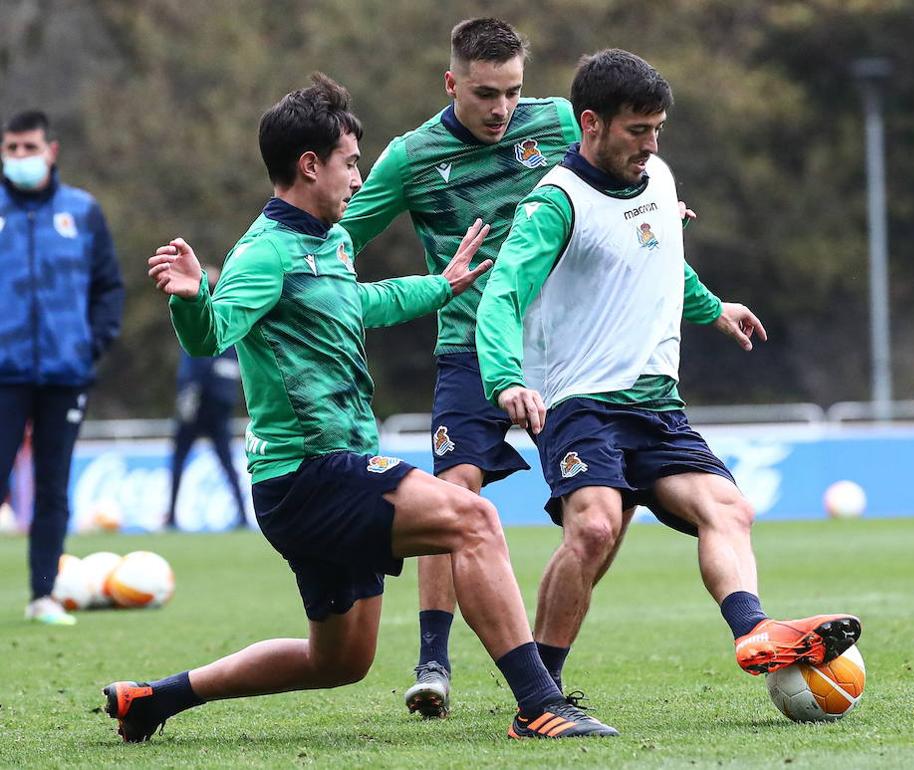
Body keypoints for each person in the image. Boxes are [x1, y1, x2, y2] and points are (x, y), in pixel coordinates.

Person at [103, 73, 616, 742]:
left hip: (314, 481)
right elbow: (212, 334)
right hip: (308, 473)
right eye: (350, 162)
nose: (359, 176)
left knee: (339, 660)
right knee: (475, 520)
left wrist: (440, 287)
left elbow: (362, 305)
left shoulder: (330, 241)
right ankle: (538, 702)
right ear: (309, 165)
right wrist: (191, 296)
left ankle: (153, 699)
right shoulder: (263, 253)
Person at [339, 17, 725, 717]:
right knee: (455, 491)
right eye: (485, 93)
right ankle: (434, 659)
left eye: (513, 92)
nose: (502, 110)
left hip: (569, 352)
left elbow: (622, 184)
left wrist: (658, 212)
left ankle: (545, 668)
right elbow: (337, 237)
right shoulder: (409, 158)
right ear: (451, 83)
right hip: (471, 342)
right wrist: (283, 279)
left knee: (607, 511)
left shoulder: (560, 121)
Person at [474, 50, 862, 705]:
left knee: (729, 509)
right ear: (590, 123)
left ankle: (754, 631)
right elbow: (502, 294)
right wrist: (506, 378)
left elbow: (661, 256)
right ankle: (541, 691)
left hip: (656, 406)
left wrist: (713, 308)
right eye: (638, 130)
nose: (651, 145)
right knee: (596, 529)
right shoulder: (556, 203)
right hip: (580, 403)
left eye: (658, 130)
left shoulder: (656, 176)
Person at [0, 110, 124, 626]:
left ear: (51, 150)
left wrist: (91, 344)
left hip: (64, 374)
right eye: (11, 149)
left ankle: (43, 596)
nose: (20, 158)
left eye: (30, 148)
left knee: (52, 490)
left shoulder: (84, 211)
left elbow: (109, 287)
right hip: (3, 375)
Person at [166, 266, 248, 531]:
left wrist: (188, 396)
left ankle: (171, 517)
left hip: (201, 403)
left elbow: (192, 367)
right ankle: (242, 515)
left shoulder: (198, 321)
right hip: (219, 404)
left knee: (181, 459)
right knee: (225, 462)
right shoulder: (230, 323)